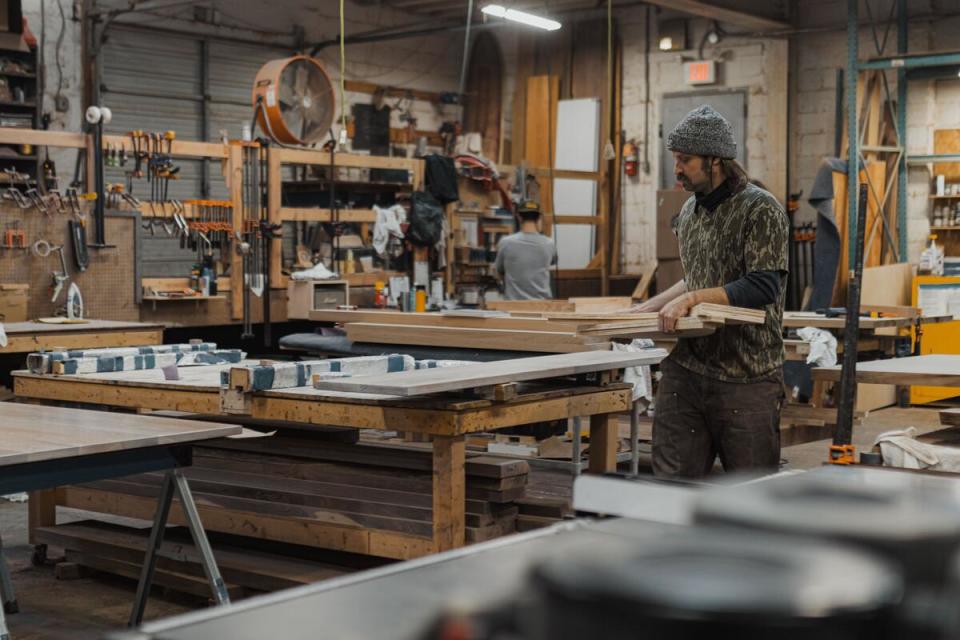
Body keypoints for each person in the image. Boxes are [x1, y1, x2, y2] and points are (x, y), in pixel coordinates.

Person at [636, 105, 789, 478]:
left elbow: (762, 285)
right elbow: (696, 278)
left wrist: (691, 300)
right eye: (676, 159)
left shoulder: (760, 209)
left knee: (750, 495)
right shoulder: (689, 212)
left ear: (715, 160)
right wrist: (641, 311)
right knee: (672, 485)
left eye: (685, 160)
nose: (677, 169)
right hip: (688, 370)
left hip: (746, 374)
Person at [494, 201, 557, 300]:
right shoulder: (549, 243)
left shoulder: (506, 242)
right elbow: (552, 261)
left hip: (513, 305)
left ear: (519, 217)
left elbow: (498, 272)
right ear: (539, 218)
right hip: (542, 305)